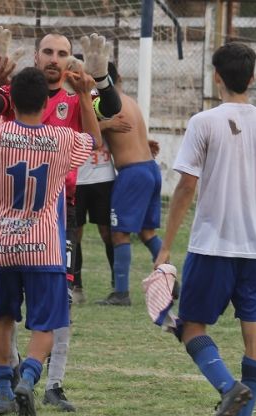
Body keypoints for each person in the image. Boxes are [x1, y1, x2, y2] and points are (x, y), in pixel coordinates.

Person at [154, 42, 256, 416]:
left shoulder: (203, 122)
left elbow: (186, 186)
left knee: (189, 326)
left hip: (211, 247)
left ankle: (226, 387)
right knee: (254, 327)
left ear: (216, 76)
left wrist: (165, 246)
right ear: (252, 78)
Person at [0, 28, 122, 412]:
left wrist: (98, 81)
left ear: (69, 60)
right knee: (18, 309)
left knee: (60, 304)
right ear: (36, 59)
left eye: (62, 53)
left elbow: (110, 109)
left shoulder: (77, 97)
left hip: (64, 211)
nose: (55, 59)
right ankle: (16, 378)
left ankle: (52, 385)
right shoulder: (17, 93)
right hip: (14, 211)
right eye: (48, 52)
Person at [0, 59, 100, 416]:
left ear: (13, 100)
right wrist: (83, 96)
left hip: (2, 246)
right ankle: (30, 376)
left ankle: (3, 393)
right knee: (46, 323)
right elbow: (94, 140)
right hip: (44, 246)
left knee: (2, 319)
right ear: (45, 102)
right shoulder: (61, 139)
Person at [95, 62, 163, 307]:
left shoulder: (105, 105)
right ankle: (170, 278)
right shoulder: (130, 101)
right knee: (147, 232)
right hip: (150, 169)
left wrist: (104, 124)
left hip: (132, 173)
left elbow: (88, 131)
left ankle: (121, 292)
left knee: (120, 233)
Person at [71, 55, 128, 304]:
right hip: (78, 179)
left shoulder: (98, 98)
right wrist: (107, 125)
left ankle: (118, 284)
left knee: (108, 232)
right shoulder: (67, 99)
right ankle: (77, 286)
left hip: (104, 177)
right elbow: (84, 130)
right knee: (75, 234)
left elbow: (113, 119)